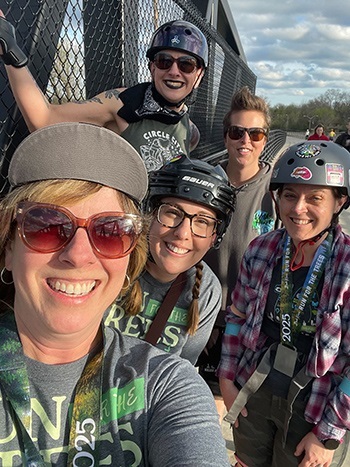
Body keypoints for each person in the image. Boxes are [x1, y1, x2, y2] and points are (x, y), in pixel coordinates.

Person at [0, 122, 230, 466]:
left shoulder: (168, 385)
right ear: (8, 245)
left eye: (110, 231)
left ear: (127, 260)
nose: (78, 255)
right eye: (46, 225)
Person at [218, 141, 350, 467]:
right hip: (257, 383)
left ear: (339, 202)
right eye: (290, 195)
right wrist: (227, 378)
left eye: (315, 198)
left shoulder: (346, 265)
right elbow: (237, 316)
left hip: (315, 402)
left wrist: (328, 434)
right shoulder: (263, 249)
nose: (298, 208)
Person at [0, 14, 207, 171]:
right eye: (164, 61)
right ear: (152, 67)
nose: (173, 71)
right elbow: (44, 119)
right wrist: (9, 49)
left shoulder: (189, 130)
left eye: (186, 65)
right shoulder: (123, 103)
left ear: (199, 75)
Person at [104, 155, 236, 365]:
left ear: (214, 237)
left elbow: (179, 371)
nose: (183, 233)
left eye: (202, 221)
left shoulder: (206, 291)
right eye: (172, 213)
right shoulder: (114, 259)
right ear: (150, 215)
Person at [197, 86, 277, 420]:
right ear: (227, 137)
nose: (246, 141)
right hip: (201, 317)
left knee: (243, 411)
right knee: (204, 403)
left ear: (265, 139)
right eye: (237, 132)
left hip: (250, 324)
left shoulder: (278, 190)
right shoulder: (205, 183)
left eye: (255, 134)